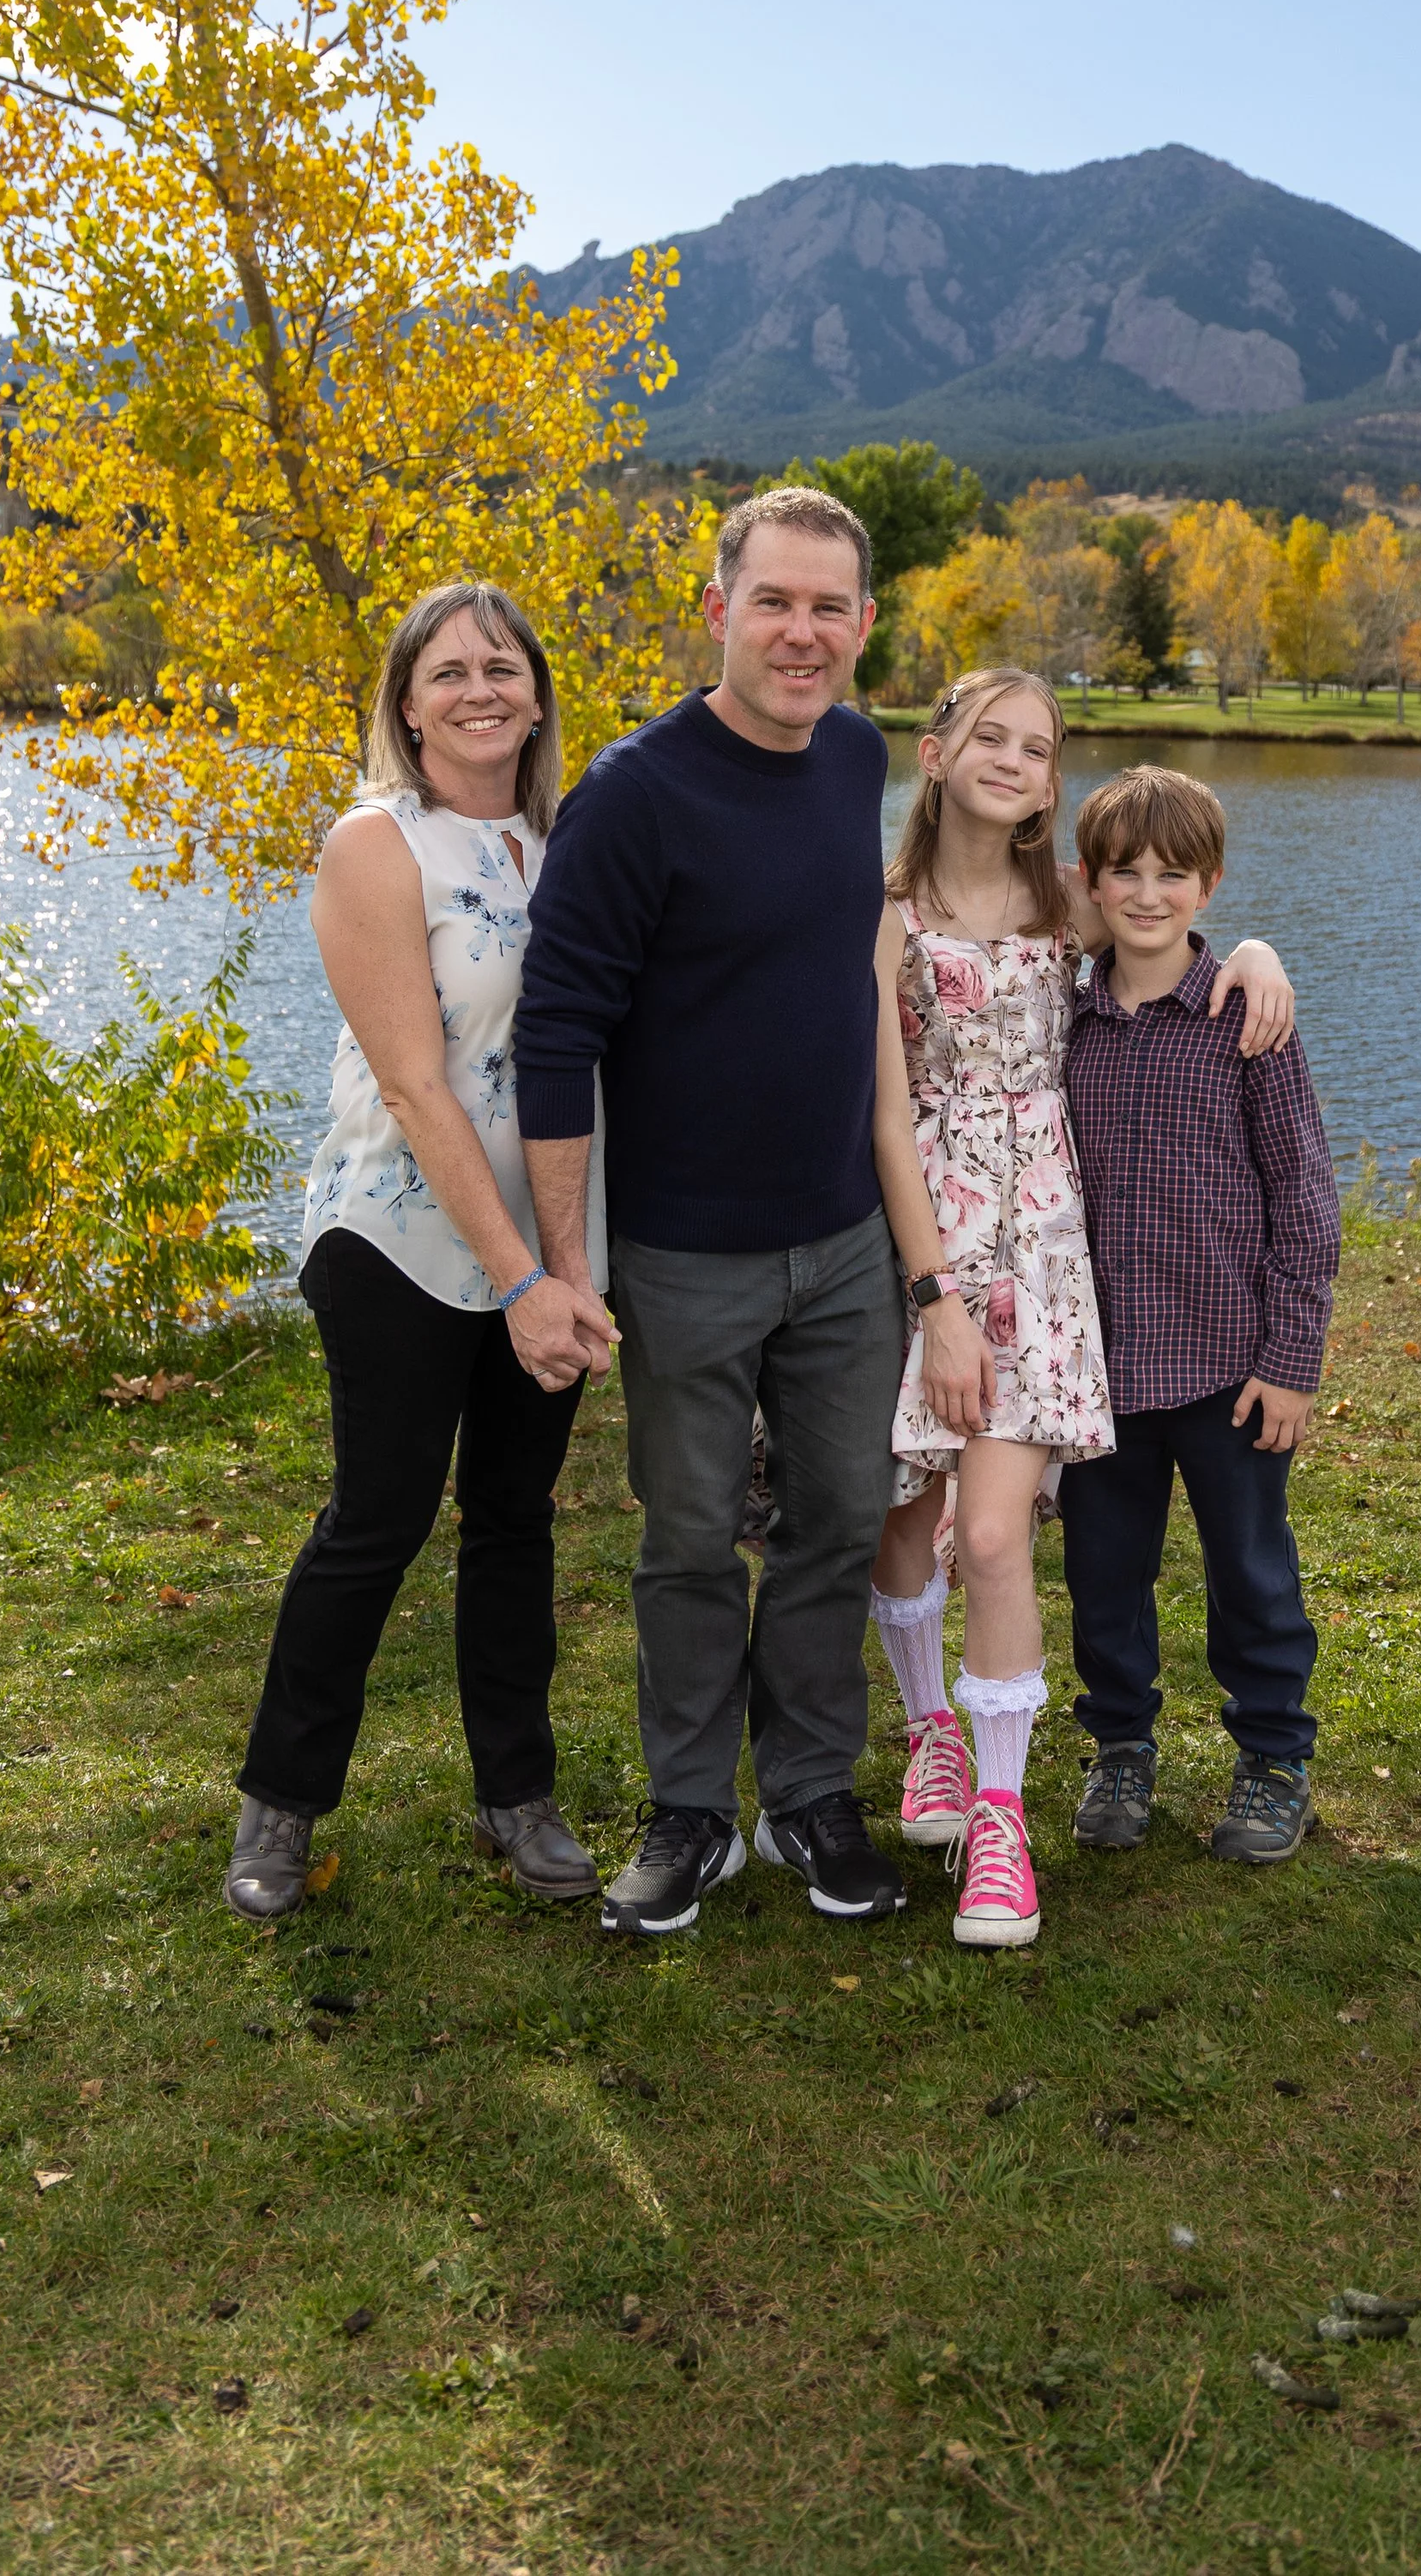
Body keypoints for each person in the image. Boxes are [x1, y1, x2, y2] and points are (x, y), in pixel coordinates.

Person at [515, 487, 912, 1937]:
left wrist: (1228, 945)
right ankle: (690, 1815)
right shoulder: (634, 797)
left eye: (830, 608)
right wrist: (569, 1266)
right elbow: (553, 1042)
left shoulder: (858, 756)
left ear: (863, 626)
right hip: (682, 1256)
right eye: (775, 602)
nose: (802, 632)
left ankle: (810, 1793)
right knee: (686, 1539)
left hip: (849, 1244)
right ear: (720, 611)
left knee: (838, 1522)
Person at [866, 674, 1294, 1950]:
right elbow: (885, 1114)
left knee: (993, 1540)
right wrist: (932, 1294)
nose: (1010, 761)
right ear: (935, 756)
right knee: (903, 1511)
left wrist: (1261, 950)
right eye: (987, 738)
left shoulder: (1070, 909)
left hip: (1045, 1251)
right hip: (919, 1237)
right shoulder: (884, 920)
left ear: (1053, 782)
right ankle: (929, 1725)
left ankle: (1002, 1819)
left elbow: (1174, 932)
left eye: (1035, 747)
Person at [225, 583, 616, 1923]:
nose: (478, 687)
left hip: (557, 1247)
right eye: (446, 670)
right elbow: (413, 1084)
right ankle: (282, 1801)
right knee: (378, 1520)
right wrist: (518, 1280)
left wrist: (567, 1267)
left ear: (538, 690)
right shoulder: (374, 844)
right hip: (399, 1233)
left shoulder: (576, 840)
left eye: (501, 664)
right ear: (407, 701)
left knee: (514, 1519)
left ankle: (519, 1796)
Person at [1057, 765, 1339, 1866]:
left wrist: (1292, 1358)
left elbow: (1304, 1195)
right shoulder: (1062, 1017)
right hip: (1100, 1372)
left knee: (1252, 1573)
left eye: (1172, 875)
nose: (1146, 893)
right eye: (1123, 872)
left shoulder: (1243, 1020)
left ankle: (1273, 1757)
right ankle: (1121, 1745)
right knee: (1103, 1579)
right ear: (1088, 881)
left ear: (1208, 887)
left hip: (1228, 1365)